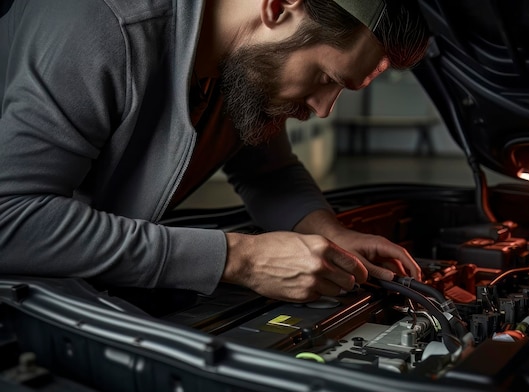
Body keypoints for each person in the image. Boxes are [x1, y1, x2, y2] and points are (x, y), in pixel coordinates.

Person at [0, 0, 428, 303]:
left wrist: (329, 234)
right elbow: (11, 219)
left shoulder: (246, 61)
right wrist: (240, 259)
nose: (322, 109)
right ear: (278, 7)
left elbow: (269, 172)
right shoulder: (104, 24)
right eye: (324, 77)